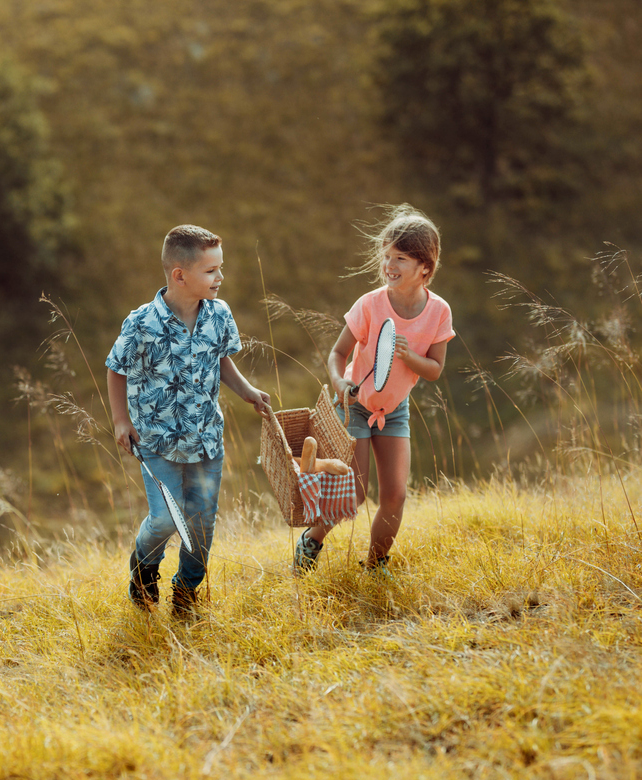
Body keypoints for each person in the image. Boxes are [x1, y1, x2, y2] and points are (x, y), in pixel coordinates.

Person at [107, 225, 270, 616]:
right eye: (211, 270)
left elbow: (222, 359)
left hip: (206, 438)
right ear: (180, 275)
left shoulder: (219, 314)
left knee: (201, 522)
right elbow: (116, 368)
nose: (220, 277)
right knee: (165, 518)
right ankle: (144, 571)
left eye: (220, 268)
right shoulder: (141, 323)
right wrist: (120, 421)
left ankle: (187, 592)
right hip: (156, 440)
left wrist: (247, 390)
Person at [293, 204, 454, 578]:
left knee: (396, 494)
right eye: (386, 257)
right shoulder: (371, 304)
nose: (389, 265)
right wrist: (339, 382)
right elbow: (338, 353)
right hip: (355, 407)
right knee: (356, 493)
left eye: (400, 258)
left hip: (394, 409)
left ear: (425, 268)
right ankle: (312, 540)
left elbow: (434, 370)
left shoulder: (439, 312)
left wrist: (409, 356)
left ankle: (376, 565)